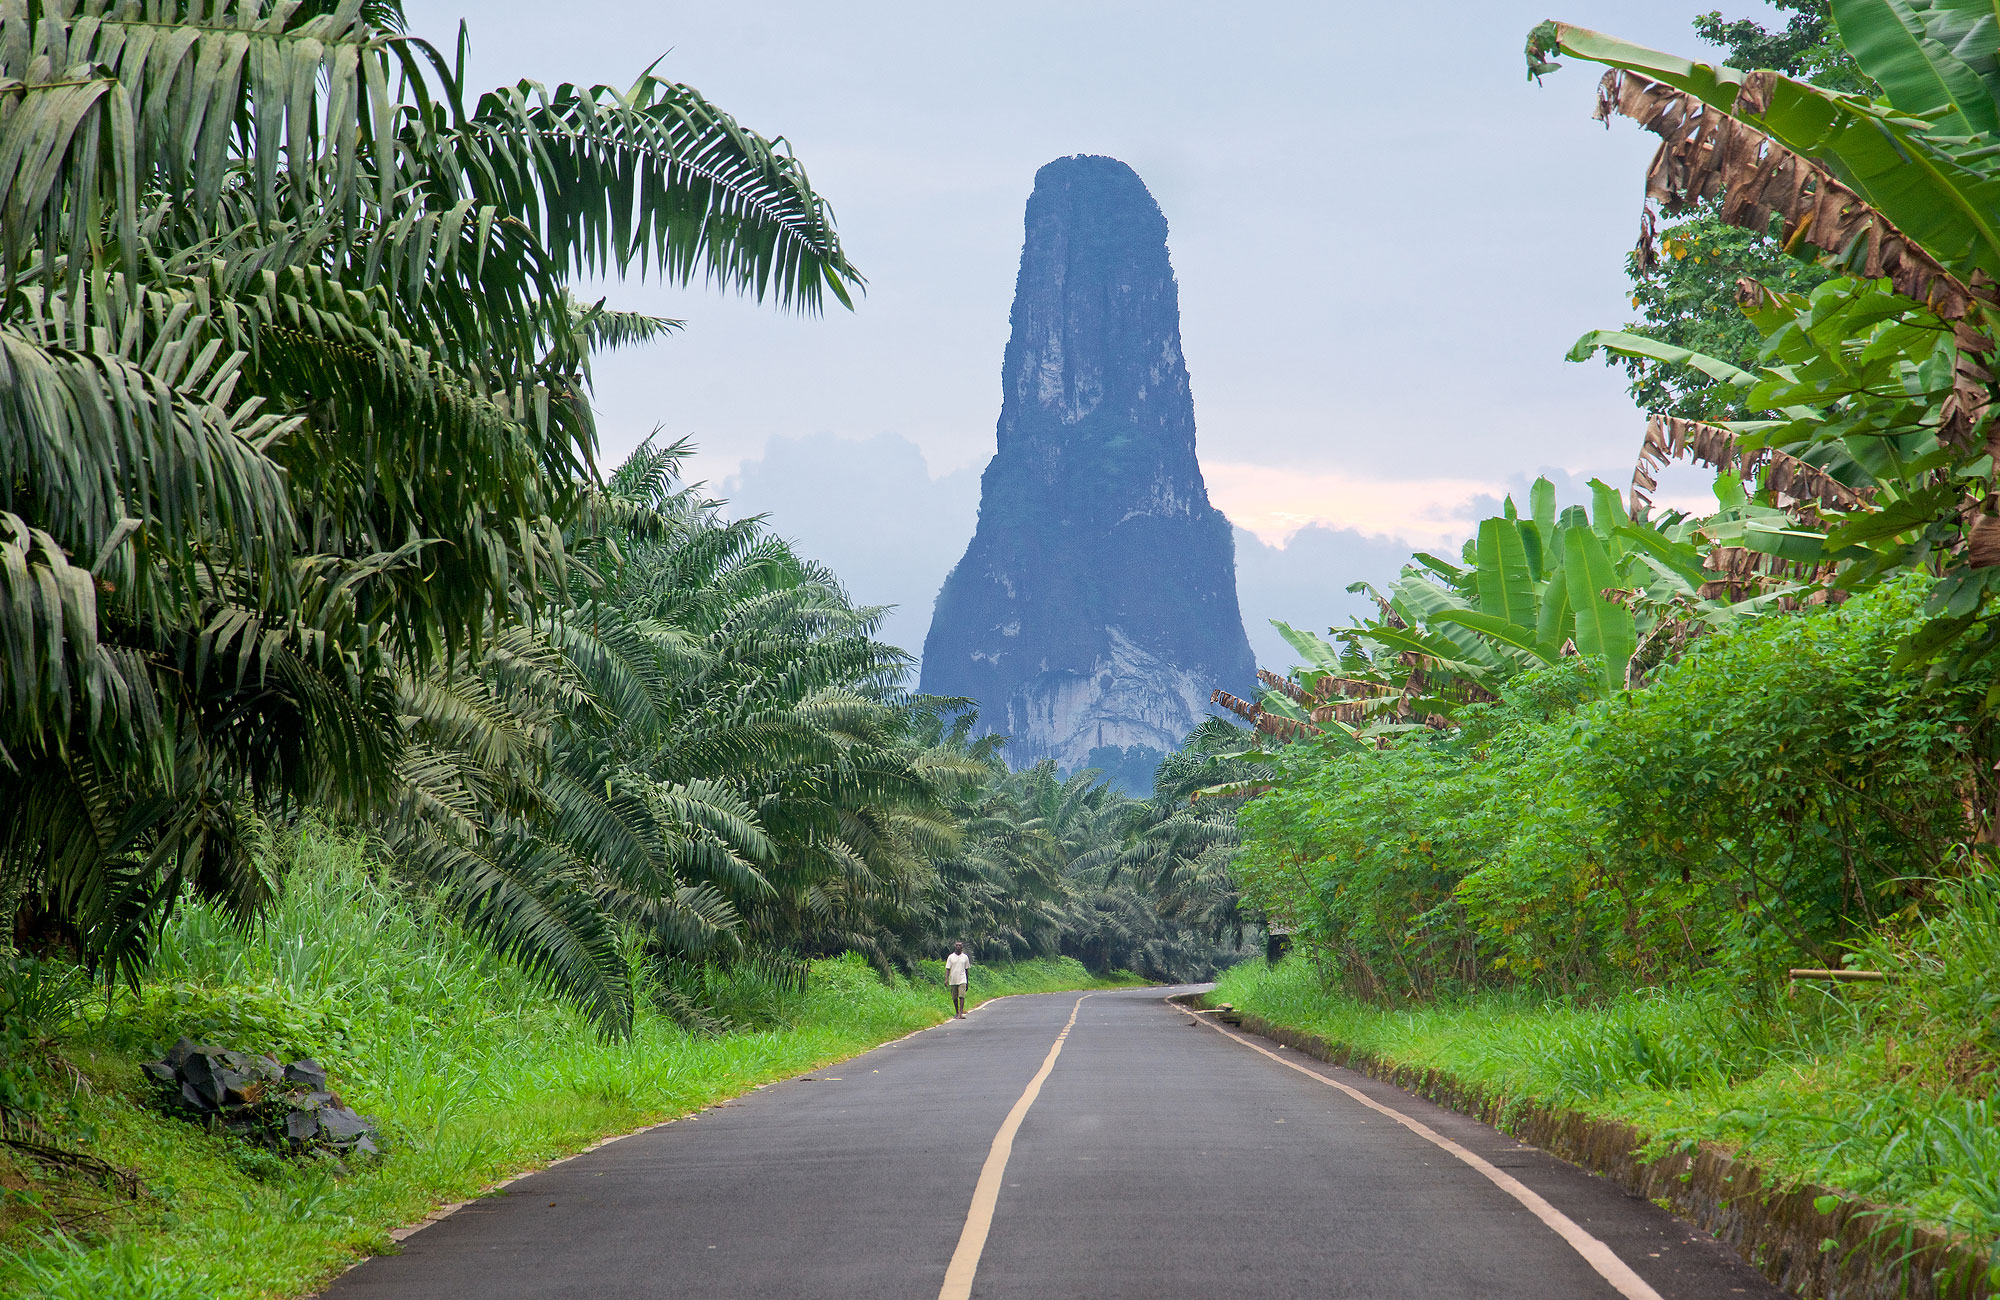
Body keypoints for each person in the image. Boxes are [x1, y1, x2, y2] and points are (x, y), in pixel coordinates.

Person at [945, 942, 970, 1018]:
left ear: (962, 947)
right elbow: (947, 969)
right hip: (953, 980)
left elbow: (966, 970)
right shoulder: (951, 957)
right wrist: (946, 979)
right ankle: (957, 1012)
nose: (958, 947)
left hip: (962, 979)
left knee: (961, 996)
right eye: (957, 945)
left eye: (960, 945)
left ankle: (961, 1013)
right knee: (954, 997)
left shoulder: (965, 957)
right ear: (955, 947)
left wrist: (967, 982)